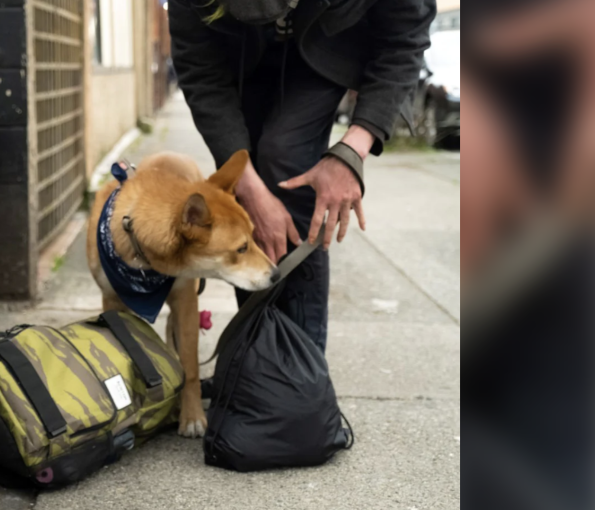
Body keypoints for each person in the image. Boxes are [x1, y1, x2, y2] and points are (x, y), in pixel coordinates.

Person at [168, 0, 435, 351]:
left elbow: (405, 39)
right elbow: (200, 73)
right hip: (237, 56)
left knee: (286, 161)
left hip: (327, 48)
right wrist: (248, 188)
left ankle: (302, 375)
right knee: (248, 183)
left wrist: (351, 151)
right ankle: (255, 362)